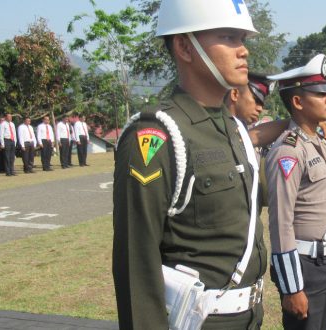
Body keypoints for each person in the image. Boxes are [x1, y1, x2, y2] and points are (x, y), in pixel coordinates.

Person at [112, 1, 287, 329]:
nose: (243, 51)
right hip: (199, 320)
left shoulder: (234, 129)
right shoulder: (156, 135)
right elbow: (136, 261)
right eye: (229, 37)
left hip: (249, 317)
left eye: (243, 39)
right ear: (184, 46)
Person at [265, 54, 326, 330]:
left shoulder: (319, 143)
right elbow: (281, 222)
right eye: (320, 94)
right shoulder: (289, 150)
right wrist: (291, 287)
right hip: (305, 267)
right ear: (297, 102)